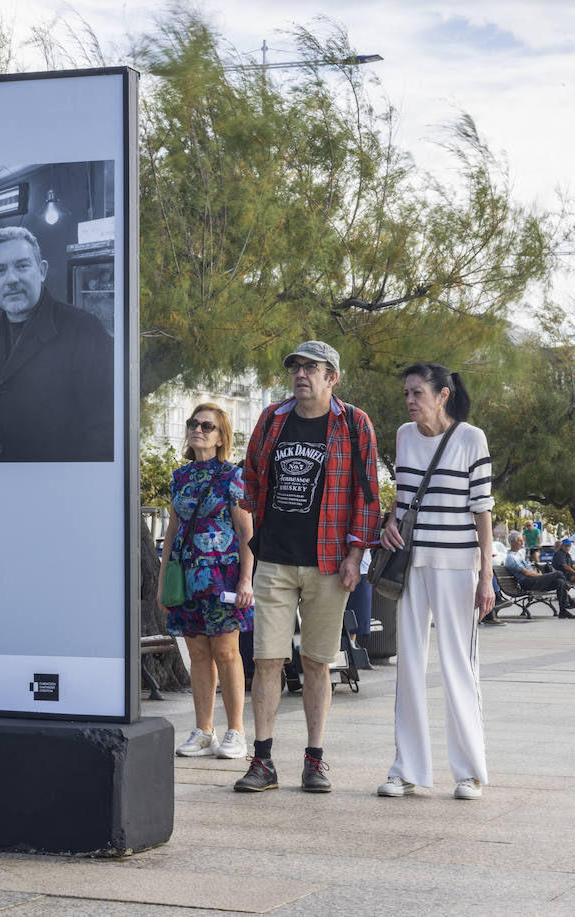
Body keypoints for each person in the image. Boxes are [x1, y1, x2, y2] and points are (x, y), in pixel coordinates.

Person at [234, 341, 379, 793]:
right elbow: (252, 476)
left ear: (332, 377)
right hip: (275, 560)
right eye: (295, 367)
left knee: (317, 662)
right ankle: (262, 761)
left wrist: (355, 555)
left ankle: (314, 759)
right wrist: (255, 539)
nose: (301, 374)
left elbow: (367, 496)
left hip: (329, 562)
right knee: (267, 660)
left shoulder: (354, 423)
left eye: (311, 368)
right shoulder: (272, 419)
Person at [377, 363, 493, 801]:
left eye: (417, 392)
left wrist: (486, 573)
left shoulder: (470, 438)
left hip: (458, 565)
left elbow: (482, 508)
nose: (410, 400)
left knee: (458, 666)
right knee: (408, 665)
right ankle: (405, 768)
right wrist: (390, 522)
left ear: (442, 394)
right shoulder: (405, 436)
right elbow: (403, 497)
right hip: (410, 565)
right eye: (406, 392)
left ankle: (469, 772)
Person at [0, 226, 113, 462]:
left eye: (22, 266)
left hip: (55, 485)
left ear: (41, 271)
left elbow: (104, 432)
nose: (11, 279)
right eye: (0, 270)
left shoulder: (83, 330)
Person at [159, 403, 254, 760]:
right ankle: (203, 730)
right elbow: (171, 531)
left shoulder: (232, 477)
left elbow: (247, 534)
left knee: (227, 653)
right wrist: (162, 580)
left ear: (220, 437)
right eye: (193, 423)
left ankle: (236, 732)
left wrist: (246, 581)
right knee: (198, 654)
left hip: (222, 577)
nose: (198, 429)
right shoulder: (180, 477)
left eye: (207, 426)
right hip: (186, 578)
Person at [503, 531, 575, 617]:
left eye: (522, 540)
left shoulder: (518, 554)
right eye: (520, 540)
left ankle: (563, 611)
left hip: (533, 580)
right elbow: (527, 573)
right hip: (527, 582)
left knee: (559, 582)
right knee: (558, 573)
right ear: (512, 542)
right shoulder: (511, 558)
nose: (522, 542)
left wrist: (541, 577)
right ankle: (569, 601)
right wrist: (542, 576)